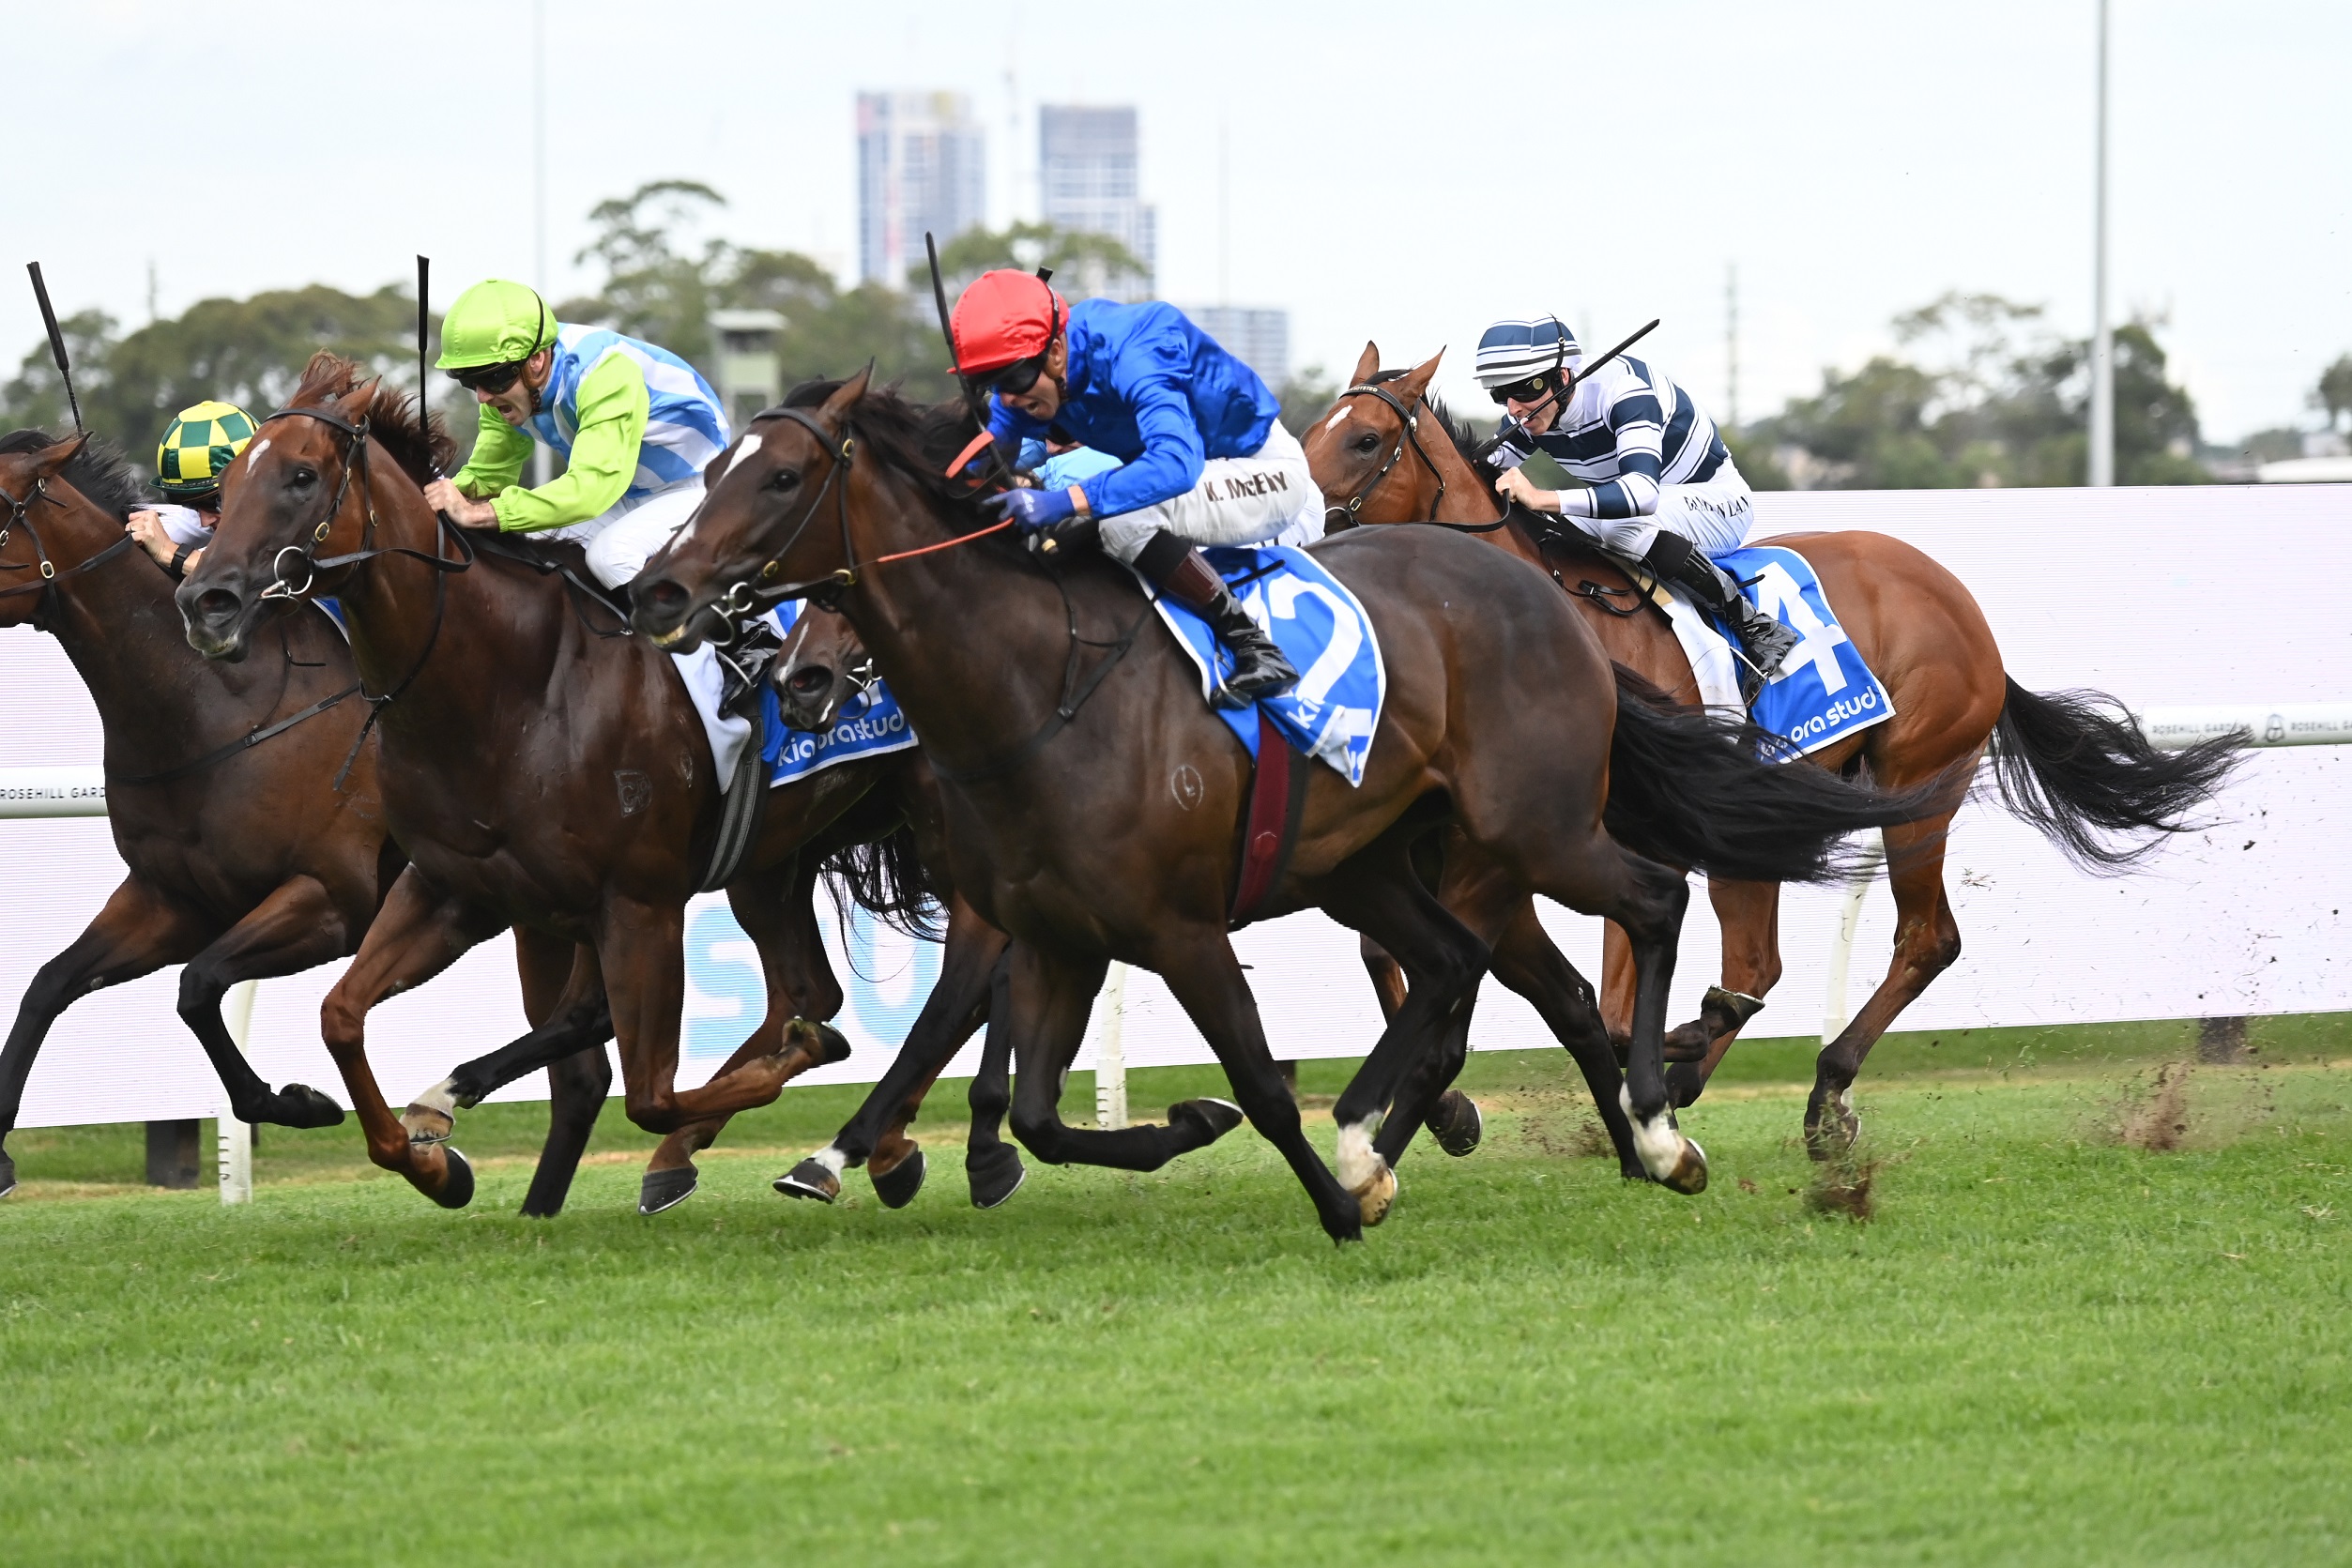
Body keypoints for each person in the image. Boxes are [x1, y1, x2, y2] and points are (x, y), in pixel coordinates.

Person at [424, 279, 754, 774]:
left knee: (611, 555)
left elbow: (591, 488)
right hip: (631, 494)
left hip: (705, 486)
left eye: (490, 379)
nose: (483, 396)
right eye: (469, 382)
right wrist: (435, 496)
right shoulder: (507, 389)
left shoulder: (604, 372)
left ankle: (724, 682)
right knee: (524, 548)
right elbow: (489, 477)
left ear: (536, 361)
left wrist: (485, 512)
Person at [952, 269, 1313, 707]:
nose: (1006, 398)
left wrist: (1062, 501)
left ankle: (1255, 646)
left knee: (1120, 520)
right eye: (993, 384)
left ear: (1057, 352)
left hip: (1262, 471)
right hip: (1193, 478)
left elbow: (1176, 464)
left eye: (1011, 379)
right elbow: (992, 449)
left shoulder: (1136, 348)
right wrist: (959, 477)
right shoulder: (1032, 380)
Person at [1475, 317, 1800, 696]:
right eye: (1501, 394)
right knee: (1546, 530)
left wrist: (1542, 497)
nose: (1514, 408)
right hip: (1649, 509)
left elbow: (1642, 495)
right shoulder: (1532, 412)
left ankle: (1756, 626)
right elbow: (1477, 474)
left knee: (1618, 526)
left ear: (1562, 377)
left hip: (1717, 502)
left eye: (1523, 389)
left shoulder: (1625, 391)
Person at [126, 400, 259, 580]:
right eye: (191, 504)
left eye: (214, 501)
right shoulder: (206, 516)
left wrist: (170, 552)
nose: (204, 521)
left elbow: (256, 577)